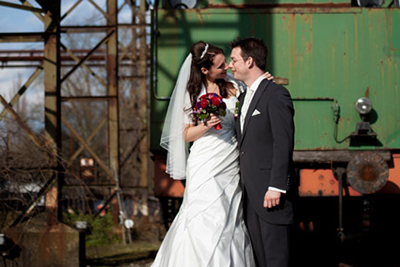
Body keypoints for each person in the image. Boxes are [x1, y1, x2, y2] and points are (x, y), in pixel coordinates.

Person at [152, 41, 272, 267]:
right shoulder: (192, 92)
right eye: (220, 66)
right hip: (205, 160)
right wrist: (206, 125)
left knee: (230, 213)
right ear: (204, 70)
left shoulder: (234, 86)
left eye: (226, 62)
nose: (226, 67)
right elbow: (185, 135)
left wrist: (266, 84)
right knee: (204, 213)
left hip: (230, 157)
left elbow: (251, 102)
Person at [229, 37, 296, 267]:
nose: (230, 65)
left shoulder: (276, 94)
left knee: (276, 259)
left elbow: (283, 142)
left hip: (270, 193)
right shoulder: (242, 96)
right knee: (259, 260)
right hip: (249, 194)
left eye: (234, 60)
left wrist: (276, 186)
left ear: (249, 62)